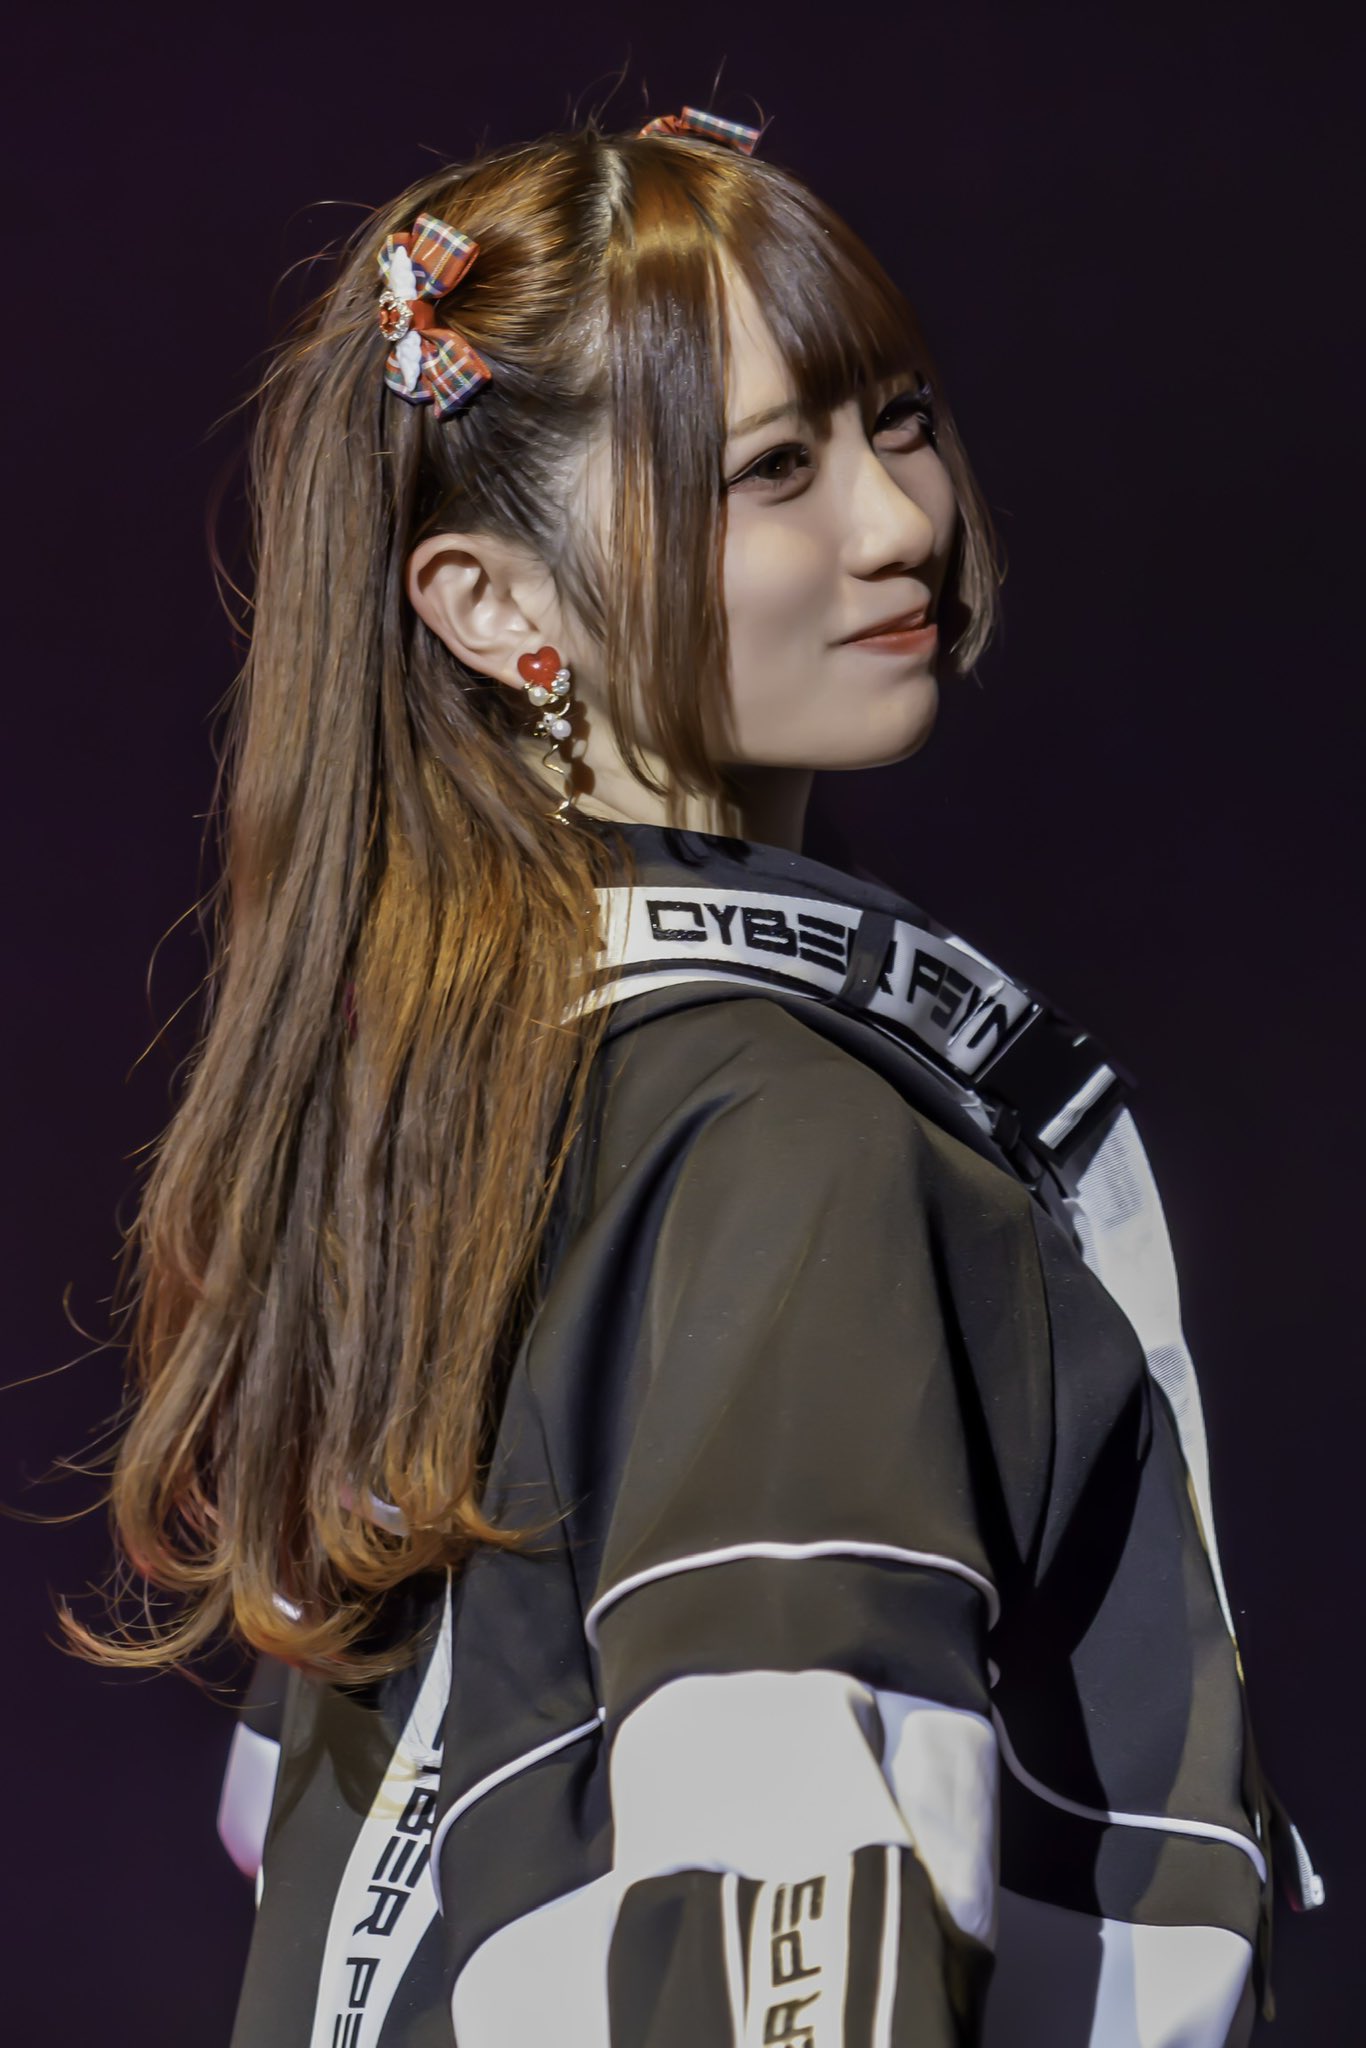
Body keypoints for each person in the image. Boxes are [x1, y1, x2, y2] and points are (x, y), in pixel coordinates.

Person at [71, 103, 1322, 2045]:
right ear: (494, 603)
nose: (896, 524)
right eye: (770, 472)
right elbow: (792, 1937)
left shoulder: (461, 1123)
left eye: (895, 420)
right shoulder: (783, 1144)